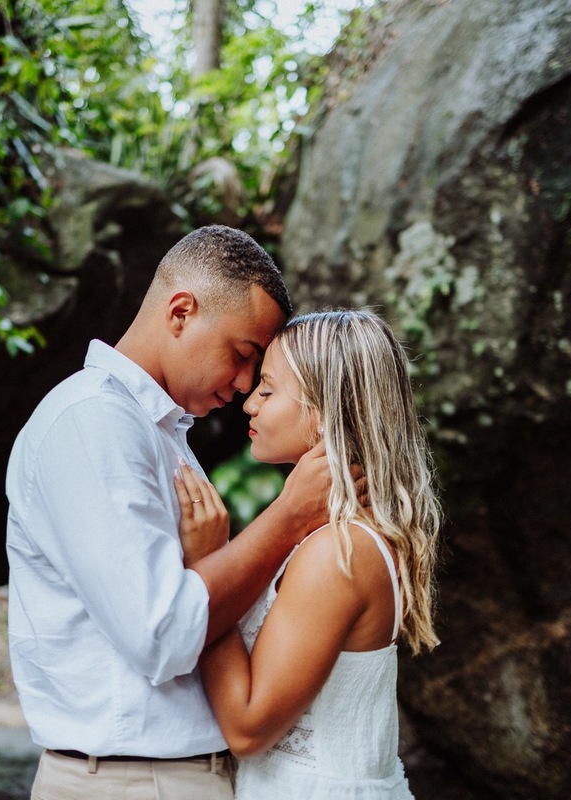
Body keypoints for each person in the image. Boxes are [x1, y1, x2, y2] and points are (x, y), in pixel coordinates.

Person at [5, 225, 336, 800]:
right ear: (181, 311)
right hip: (131, 779)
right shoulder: (93, 424)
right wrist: (288, 518)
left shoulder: (158, 433)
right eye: (242, 356)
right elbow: (160, 634)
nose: (242, 386)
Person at [176, 309, 443, 799]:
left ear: (323, 414)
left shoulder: (339, 553)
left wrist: (205, 566)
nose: (249, 404)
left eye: (269, 390)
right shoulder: (331, 537)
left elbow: (248, 729)